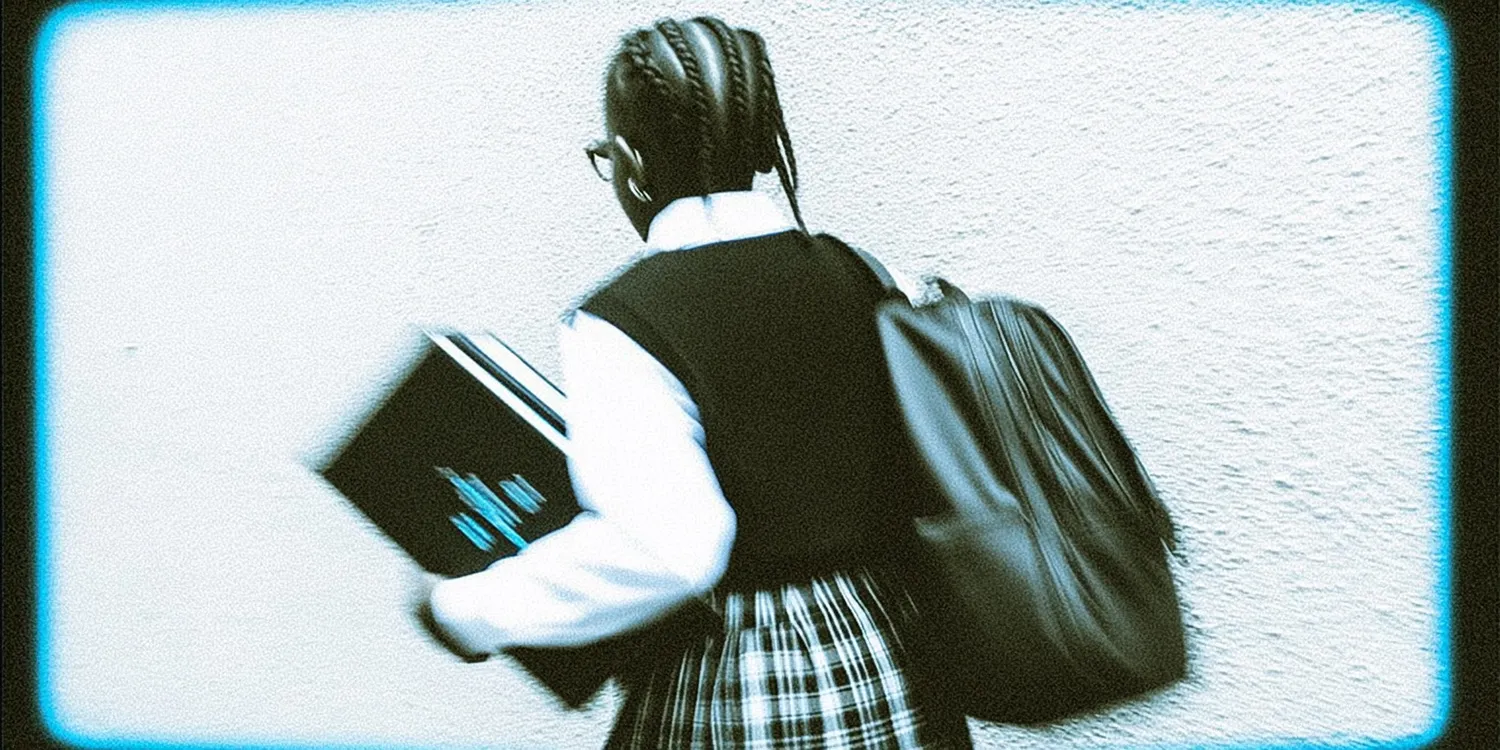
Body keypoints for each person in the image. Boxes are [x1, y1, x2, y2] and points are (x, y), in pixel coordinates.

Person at [420, 16, 972, 749]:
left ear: (631, 163)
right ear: (763, 147)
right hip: (893, 654)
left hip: (745, 680)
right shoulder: (868, 275)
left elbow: (668, 547)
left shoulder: (621, 322)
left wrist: (464, 611)